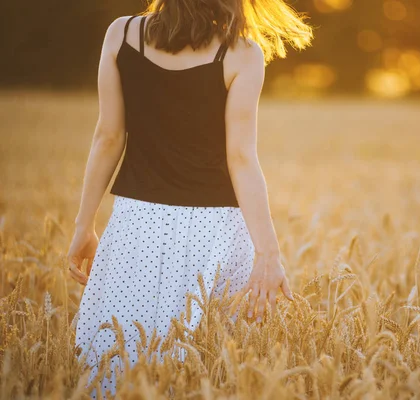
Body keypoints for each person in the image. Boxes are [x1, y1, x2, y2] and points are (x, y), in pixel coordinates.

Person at [66, 0, 313, 396]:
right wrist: (268, 253)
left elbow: (108, 137)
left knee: (116, 363)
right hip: (215, 233)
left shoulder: (121, 34)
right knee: (210, 370)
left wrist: (84, 224)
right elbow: (242, 158)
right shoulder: (242, 53)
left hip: (137, 224)